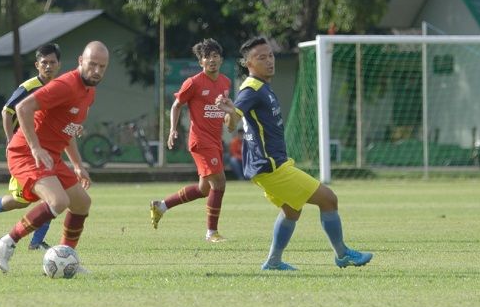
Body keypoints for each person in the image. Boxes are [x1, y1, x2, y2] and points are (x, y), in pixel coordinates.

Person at [215, 36, 373, 271]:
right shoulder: (252, 89)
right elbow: (232, 121)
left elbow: (235, 120)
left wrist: (231, 114)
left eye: (270, 56)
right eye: (261, 57)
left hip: (269, 165)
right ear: (248, 63)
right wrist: (229, 112)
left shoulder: (261, 86)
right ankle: (342, 254)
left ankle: (273, 262)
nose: (269, 61)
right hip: (271, 167)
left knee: (292, 210)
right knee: (329, 199)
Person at [0, 41, 109, 273]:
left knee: (82, 203)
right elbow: (23, 108)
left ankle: (66, 257)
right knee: (59, 201)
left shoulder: (89, 92)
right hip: (26, 152)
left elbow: (69, 130)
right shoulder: (65, 85)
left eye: (102, 67)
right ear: (80, 62)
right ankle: (5, 243)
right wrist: (35, 148)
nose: (97, 71)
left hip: (50, 155)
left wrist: (77, 164)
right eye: (92, 64)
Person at [0, 43, 62, 250]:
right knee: (25, 200)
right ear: (37, 65)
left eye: (52, 62)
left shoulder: (58, 88)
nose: (48, 66)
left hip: (46, 150)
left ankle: (36, 241)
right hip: (26, 151)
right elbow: (7, 112)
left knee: (49, 195)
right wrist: (11, 140)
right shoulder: (29, 87)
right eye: (44, 63)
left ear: (59, 65)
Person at [149, 38, 231, 242]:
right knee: (219, 183)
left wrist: (231, 116)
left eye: (214, 56)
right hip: (200, 141)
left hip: (215, 140)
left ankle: (162, 206)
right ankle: (211, 232)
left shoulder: (225, 82)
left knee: (205, 189)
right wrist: (172, 130)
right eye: (206, 57)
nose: (211, 60)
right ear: (201, 62)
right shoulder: (193, 83)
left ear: (220, 59)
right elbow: (177, 105)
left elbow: (226, 111)